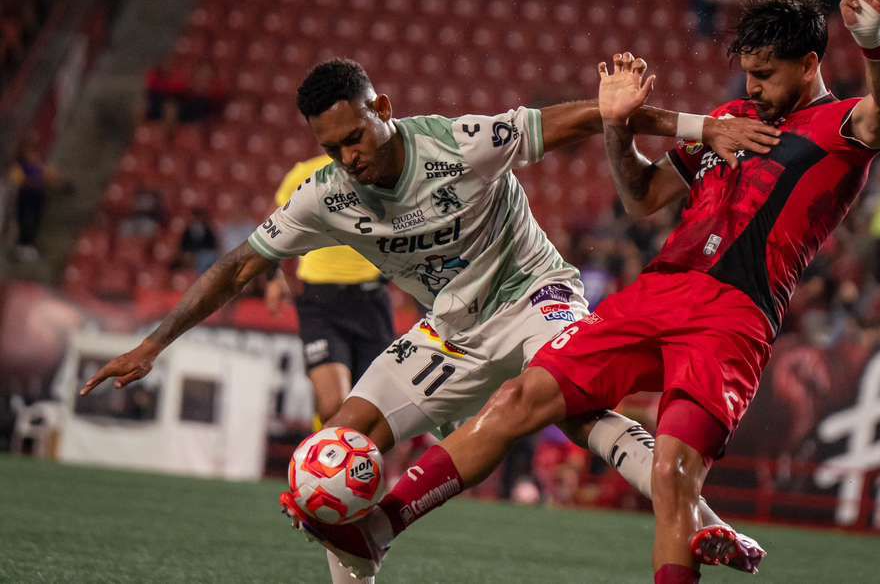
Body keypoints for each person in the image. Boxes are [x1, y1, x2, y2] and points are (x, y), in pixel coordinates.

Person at [307, 0, 880, 583]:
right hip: (656, 292)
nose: (751, 89)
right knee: (519, 397)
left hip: (733, 316)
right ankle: (377, 527)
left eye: (765, 75)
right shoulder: (729, 117)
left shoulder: (841, 129)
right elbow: (644, 196)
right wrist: (619, 128)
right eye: (747, 74)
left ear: (810, 63)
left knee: (673, 476)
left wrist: (874, 45)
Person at [80, 59, 777, 582]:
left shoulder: (461, 142)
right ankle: (363, 558)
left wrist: (700, 127)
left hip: (536, 297)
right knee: (332, 457)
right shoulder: (324, 197)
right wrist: (154, 343)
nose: (350, 158)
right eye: (334, 150)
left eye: (356, 136)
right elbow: (238, 266)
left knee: (579, 414)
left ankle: (702, 522)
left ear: (382, 107)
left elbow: (588, 114)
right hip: (450, 329)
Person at [264, 154, 394, 427]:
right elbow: (275, 228)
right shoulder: (305, 173)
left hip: (372, 301)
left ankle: (351, 465)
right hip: (320, 300)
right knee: (333, 403)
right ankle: (320, 465)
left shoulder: (381, 172)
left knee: (372, 411)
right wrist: (277, 276)